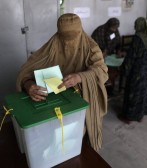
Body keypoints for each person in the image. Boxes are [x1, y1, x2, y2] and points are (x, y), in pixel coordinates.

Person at [16, 13, 109, 152]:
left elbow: (102, 71)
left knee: (79, 141)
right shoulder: (52, 45)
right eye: (64, 38)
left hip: (82, 102)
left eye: (73, 38)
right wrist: (28, 84)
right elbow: (27, 69)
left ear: (80, 32)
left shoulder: (90, 47)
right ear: (59, 34)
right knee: (54, 141)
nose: (68, 43)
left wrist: (80, 77)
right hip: (55, 104)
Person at [118, 17, 147, 123]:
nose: (135, 27)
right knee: (145, 93)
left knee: (134, 93)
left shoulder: (138, 38)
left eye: (136, 25)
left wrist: (124, 69)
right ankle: (140, 116)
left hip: (139, 71)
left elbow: (132, 56)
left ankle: (129, 117)